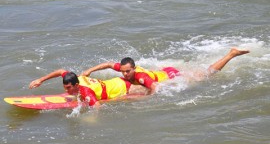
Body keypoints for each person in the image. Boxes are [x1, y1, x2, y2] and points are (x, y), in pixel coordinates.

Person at [82, 48, 250, 94]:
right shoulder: (124, 67)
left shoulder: (140, 76)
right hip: (162, 71)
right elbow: (108, 64)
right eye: (123, 71)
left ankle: (231, 54)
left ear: (134, 68)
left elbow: (155, 87)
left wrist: (147, 100)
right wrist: (88, 72)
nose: (125, 74)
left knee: (206, 75)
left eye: (128, 72)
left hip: (171, 75)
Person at [29, 69, 149, 108]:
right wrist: (40, 80)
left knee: (150, 93)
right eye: (65, 88)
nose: (66, 91)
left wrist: (90, 118)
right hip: (114, 82)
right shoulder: (75, 78)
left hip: (123, 87)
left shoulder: (85, 91)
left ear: (76, 85)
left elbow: (97, 107)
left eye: (69, 88)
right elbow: (61, 71)